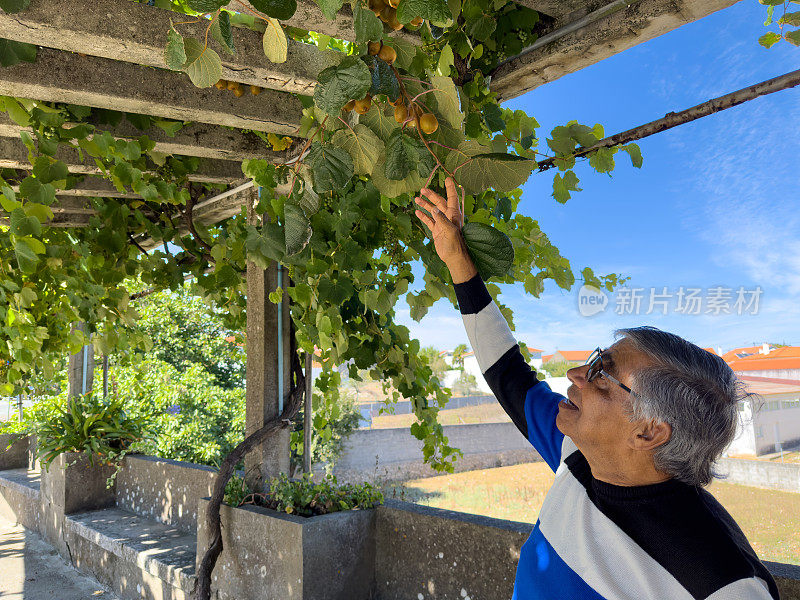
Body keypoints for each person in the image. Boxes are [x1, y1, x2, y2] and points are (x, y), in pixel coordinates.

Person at [413, 178, 780, 600]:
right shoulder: (581, 453)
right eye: (594, 359)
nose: (574, 374)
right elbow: (508, 374)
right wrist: (457, 260)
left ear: (647, 432)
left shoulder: (725, 585)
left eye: (602, 372)